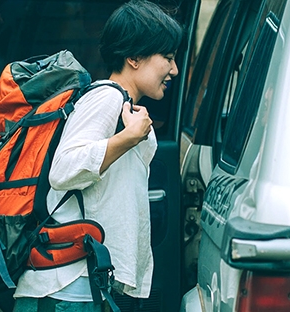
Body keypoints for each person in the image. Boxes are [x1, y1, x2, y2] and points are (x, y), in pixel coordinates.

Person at [12, 0, 182, 311]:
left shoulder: (123, 105)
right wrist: (127, 138)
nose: (174, 69)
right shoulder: (106, 97)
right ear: (133, 57)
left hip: (84, 286)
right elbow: (63, 170)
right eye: (168, 58)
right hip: (66, 290)